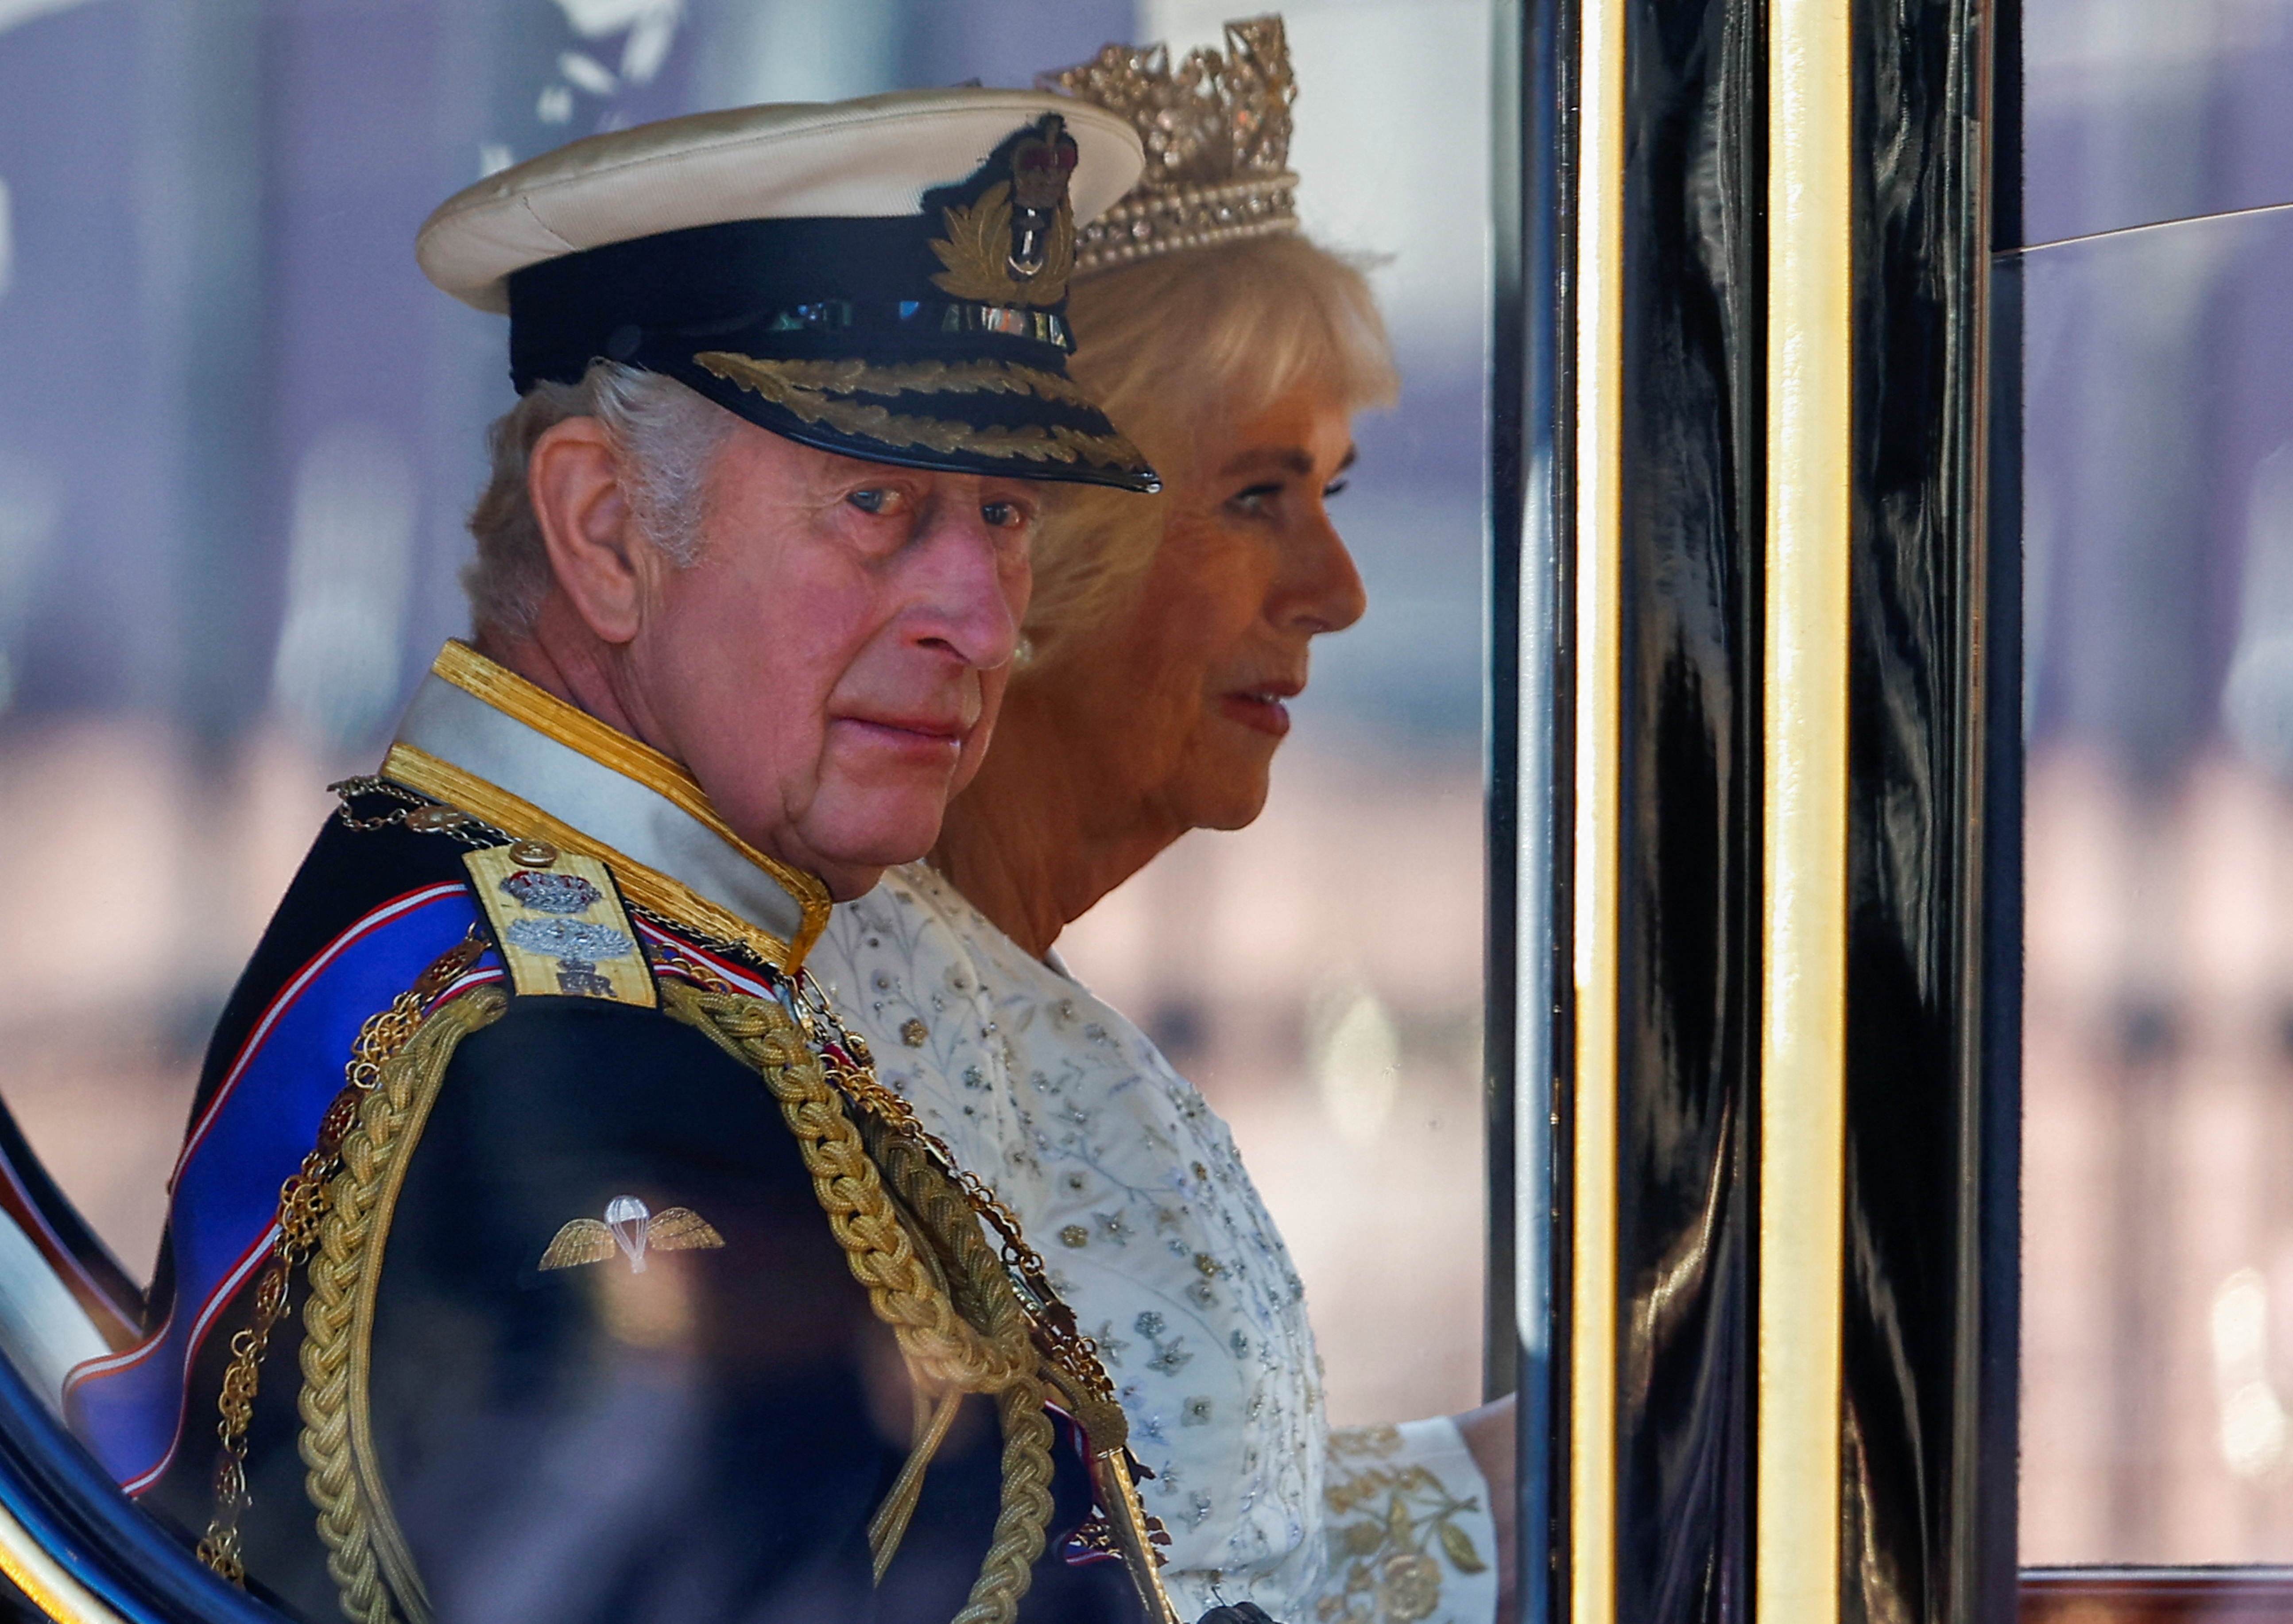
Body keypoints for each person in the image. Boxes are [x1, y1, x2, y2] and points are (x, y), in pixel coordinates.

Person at [60, 93, 1239, 1624]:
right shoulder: (542, 1045)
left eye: (1003, 513)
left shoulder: (573, 945)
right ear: (606, 531)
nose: (987, 622)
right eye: (878, 502)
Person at [808, 21, 1514, 1624]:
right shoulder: (864, 1003)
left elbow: (1191, 1539)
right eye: (1259, 497)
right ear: (1038, 546)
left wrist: (1557, 1470)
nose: (1334, 592)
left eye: (1333, 495)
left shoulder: (992, 991)